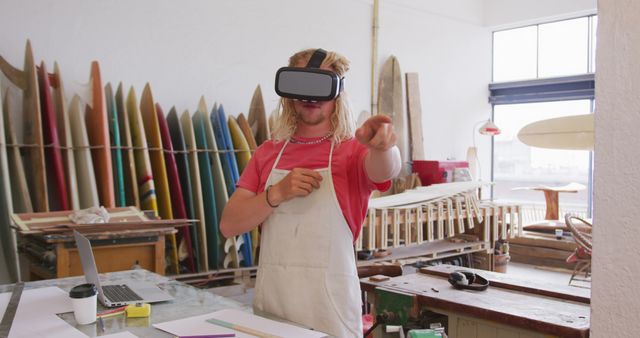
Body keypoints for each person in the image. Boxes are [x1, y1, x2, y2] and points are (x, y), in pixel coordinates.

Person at [220, 48, 401, 338]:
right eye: (302, 85)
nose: (310, 97)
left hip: (330, 315)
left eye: (321, 85)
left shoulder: (352, 151)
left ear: (337, 92)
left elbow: (385, 171)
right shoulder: (268, 153)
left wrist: (384, 146)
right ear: (289, 92)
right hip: (272, 311)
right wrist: (275, 193)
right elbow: (229, 224)